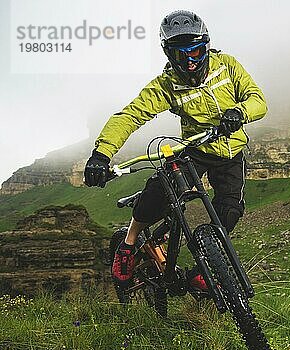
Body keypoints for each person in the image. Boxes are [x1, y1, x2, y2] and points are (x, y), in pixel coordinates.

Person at [84, 10, 267, 290]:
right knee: (160, 189)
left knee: (230, 210)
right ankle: (129, 243)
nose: (191, 61)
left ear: (206, 45)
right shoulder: (166, 85)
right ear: (169, 54)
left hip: (232, 152)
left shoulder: (227, 66)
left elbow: (258, 100)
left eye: (196, 51)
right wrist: (101, 155)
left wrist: (239, 112)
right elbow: (130, 116)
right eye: (183, 54)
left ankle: (202, 270)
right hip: (195, 149)